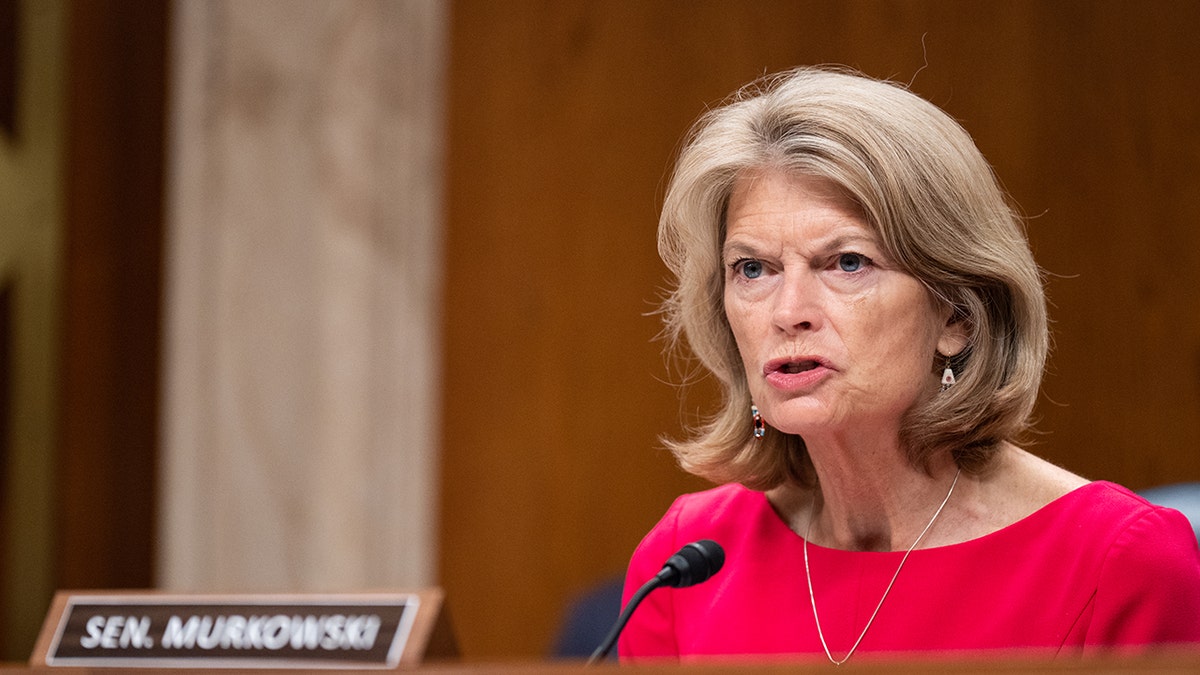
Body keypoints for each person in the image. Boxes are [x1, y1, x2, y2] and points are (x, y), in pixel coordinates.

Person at [619, 66, 1200, 663]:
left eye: (846, 262)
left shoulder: (1117, 564)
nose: (788, 312)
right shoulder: (688, 560)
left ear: (957, 317)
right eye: (753, 269)